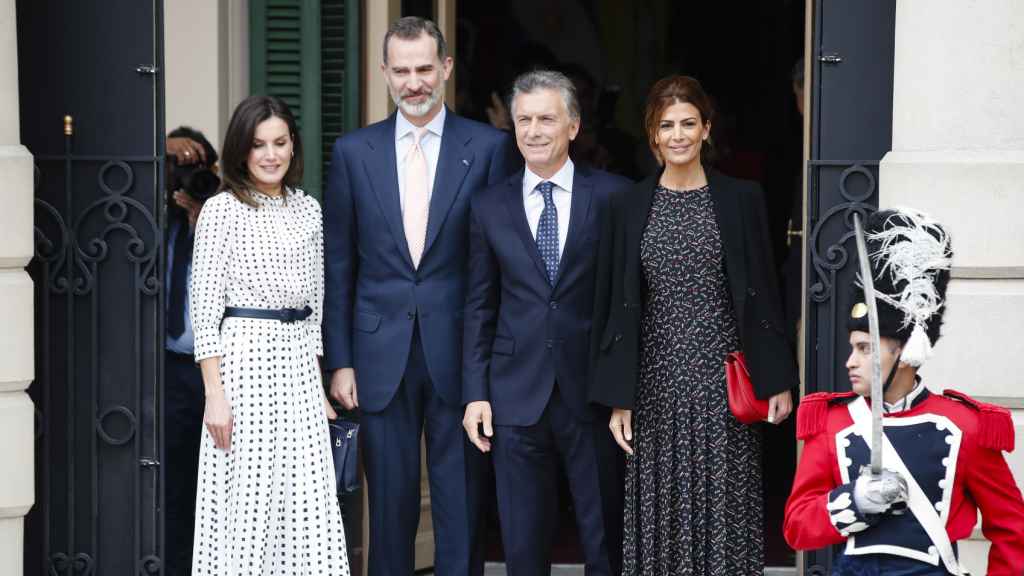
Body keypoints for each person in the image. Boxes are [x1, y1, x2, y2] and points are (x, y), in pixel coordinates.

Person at [323, 17, 515, 576]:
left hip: (461, 352)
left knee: (460, 512)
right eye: (402, 70)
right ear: (384, 73)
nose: (414, 82)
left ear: (446, 68)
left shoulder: (489, 148)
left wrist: (495, 358)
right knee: (389, 513)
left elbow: (499, 265)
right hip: (378, 357)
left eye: (425, 68)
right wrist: (340, 360)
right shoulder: (353, 152)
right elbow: (339, 264)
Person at [590, 75, 798, 575]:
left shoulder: (742, 198)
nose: (678, 134)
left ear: (707, 129)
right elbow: (612, 305)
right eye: (667, 125)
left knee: (725, 501)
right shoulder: (627, 204)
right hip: (654, 380)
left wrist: (777, 380)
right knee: (660, 505)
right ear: (652, 134)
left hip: (723, 378)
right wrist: (619, 395)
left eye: (688, 123)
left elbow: (763, 295)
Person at [784, 208, 1024, 575]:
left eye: (865, 349)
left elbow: (1013, 530)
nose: (850, 361)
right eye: (853, 347)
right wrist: (853, 501)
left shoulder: (964, 426)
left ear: (906, 352)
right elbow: (797, 528)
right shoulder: (833, 424)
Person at [462, 69, 629, 576]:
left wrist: (623, 391)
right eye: (524, 120)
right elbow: (479, 305)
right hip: (515, 396)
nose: (534, 131)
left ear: (573, 127)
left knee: (604, 542)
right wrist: (476, 392)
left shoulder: (615, 197)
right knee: (523, 545)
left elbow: (626, 301)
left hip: (592, 394)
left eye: (546, 119)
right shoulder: (488, 206)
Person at [189, 95, 349, 575]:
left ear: (293, 145)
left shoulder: (308, 209)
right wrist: (214, 395)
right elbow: (204, 308)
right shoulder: (221, 210)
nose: (271, 154)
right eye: (259, 145)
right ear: (241, 151)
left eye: (280, 142)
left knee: (307, 502)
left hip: (298, 370)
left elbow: (316, 302)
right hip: (243, 365)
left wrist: (317, 383)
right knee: (249, 501)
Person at [163, 125, 219, 576]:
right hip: (171, 371)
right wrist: (163, 151)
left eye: (198, 170)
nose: (188, 181)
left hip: (221, 370)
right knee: (175, 482)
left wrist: (204, 220)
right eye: (180, 170)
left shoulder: (223, 220)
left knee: (220, 483)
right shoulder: (147, 218)